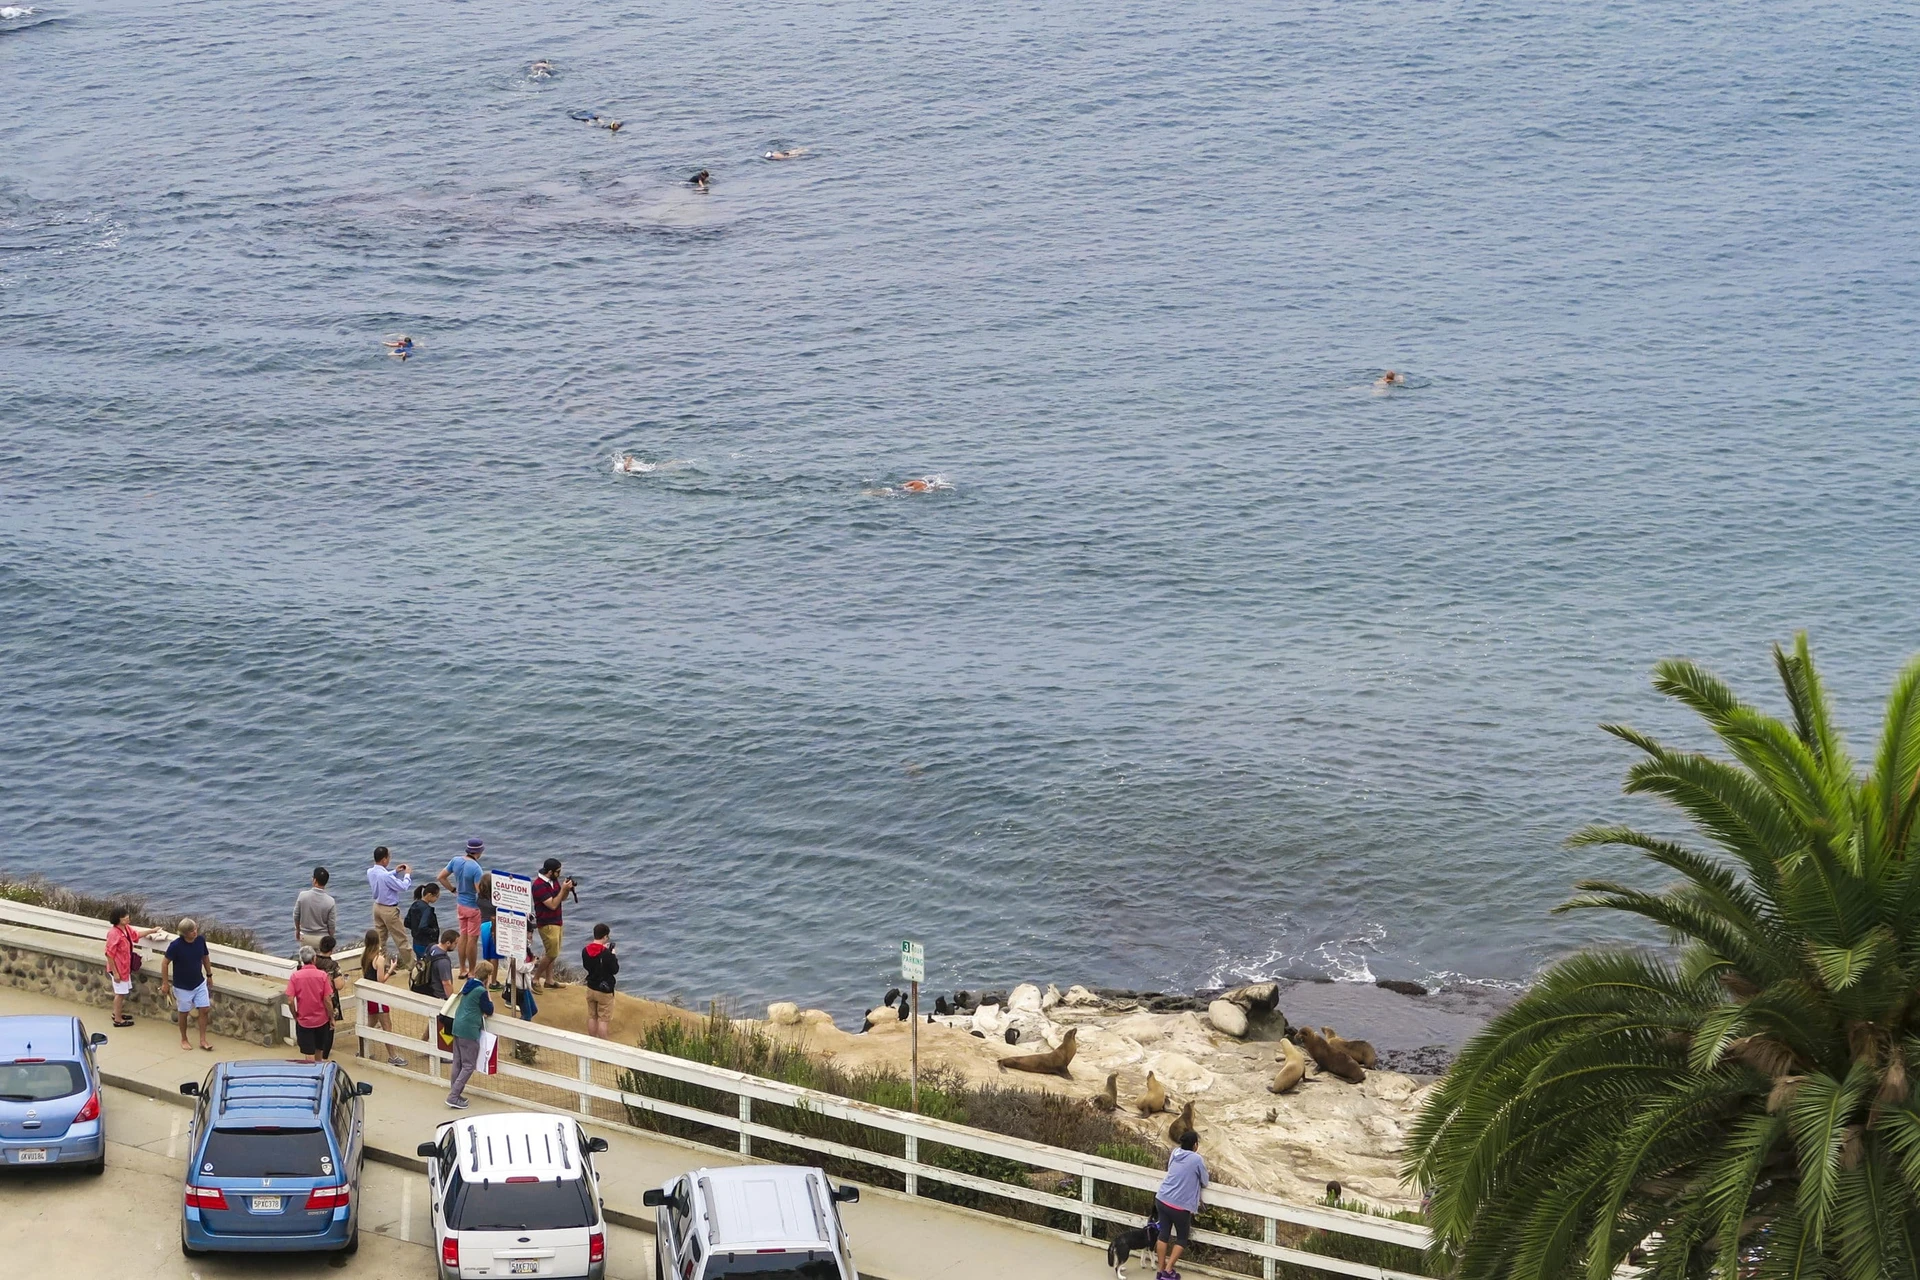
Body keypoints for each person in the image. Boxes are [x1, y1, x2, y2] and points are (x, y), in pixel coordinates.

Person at [1152, 1129, 1209, 1280]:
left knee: (1163, 1235)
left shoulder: (1175, 1153)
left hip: (1162, 1198)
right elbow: (1205, 1181)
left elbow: (1171, 1169)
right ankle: (1168, 1271)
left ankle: (1160, 1270)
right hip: (1179, 1206)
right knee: (1182, 1238)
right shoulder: (1197, 1159)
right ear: (1195, 1145)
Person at [445, 960, 496, 1110]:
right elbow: (490, 1009)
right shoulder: (480, 991)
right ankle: (453, 1096)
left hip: (457, 1026)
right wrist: (487, 991)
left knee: (457, 1062)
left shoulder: (468, 984)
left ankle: (455, 1093)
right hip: (469, 1030)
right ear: (487, 976)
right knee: (468, 1066)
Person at [159, 919, 214, 1052]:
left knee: (204, 1009)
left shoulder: (200, 940)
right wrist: (165, 983)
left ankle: (202, 1039)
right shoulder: (175, 946)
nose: (195, 932)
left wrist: (209, 975)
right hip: (182, 986)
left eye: (195, 929)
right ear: (184, 933)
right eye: (191, 931)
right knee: (183, 1013)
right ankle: (184, 1039)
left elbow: (205, 957)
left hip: (199, 983)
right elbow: (164, 963)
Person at [357, 928, 408, 1067]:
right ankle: (392, 1056)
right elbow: (380, 980)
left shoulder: (365, 956)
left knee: (371, 1023)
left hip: (369, 995)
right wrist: (390, 969)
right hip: (378, 996)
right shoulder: (378, 959)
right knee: (387, 1025)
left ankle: (362, 1049)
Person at [438, 839, 488, 978]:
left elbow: (441, 877)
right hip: (473, 907)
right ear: (479, 851)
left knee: (463, 937)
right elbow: (479, 891)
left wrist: (453, 889)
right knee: (472, 939)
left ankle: (462, 969)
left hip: (460, 904)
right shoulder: (476, 868)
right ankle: (472, 971)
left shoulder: (456, 861)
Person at [286, 946, 336, 1063]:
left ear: (302, 960)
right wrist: (331, 1017)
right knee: (319, 1050)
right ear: (314, 958)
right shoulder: (322, 976)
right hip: (321, 1020)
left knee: (309, 1054)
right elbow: (327, 1000)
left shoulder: (295, 977)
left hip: (304, 1021)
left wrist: (295, 1015)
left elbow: (290, 1000)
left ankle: (310, 1075)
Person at [366, 846, 412, 963]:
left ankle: (381, 964)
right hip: (389, 910)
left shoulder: (370, 872)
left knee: (380, 940)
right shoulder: (386, 876)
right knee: (401, 939)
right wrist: (407, 874)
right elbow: (403, 886)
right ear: (384, 860)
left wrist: (395, 872)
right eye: (389, 857)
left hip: (377, 907)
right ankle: (413, 966)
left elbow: (382, 876)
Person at [532, 857, 572, 990]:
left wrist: (566, 890)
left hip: (557, 921)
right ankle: (536, 978)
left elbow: (561, 899)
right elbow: (553, 904)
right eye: (558, 871)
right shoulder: (538, 886)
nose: (559, 874)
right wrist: (562, 890)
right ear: (550, 872)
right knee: (551, 954)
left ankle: (549, 980)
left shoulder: (553, 882)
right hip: (547, 923)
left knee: (553, 952)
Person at [103, 906, 141, 1028]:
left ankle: (117, 1014)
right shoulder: (114, 933)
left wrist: (152, 932)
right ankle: (118, 1020)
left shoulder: (126, 929)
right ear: (118, 919)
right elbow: (109, 954)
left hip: (124, 967)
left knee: (122, 993)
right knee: (120, 994)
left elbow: (136, 935)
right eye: (124, 916)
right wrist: (116, 973)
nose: (127, 917)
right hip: (118, 969)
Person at [581, 923, 618, 1039]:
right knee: (603, 1020)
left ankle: (592, 1041)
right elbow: (614, 970)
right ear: (605, 937)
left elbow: (586, 966)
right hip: (604, 991)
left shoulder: (585, 950)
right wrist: (613, 956)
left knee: (592, 1017)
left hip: (591, 987)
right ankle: (603, 1047)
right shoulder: (606, 954)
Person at [294, 866, 337, 953]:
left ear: (314, 880)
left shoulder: (303, 896)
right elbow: (331, 924)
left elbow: (296, 915)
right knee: (321, 964)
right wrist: (331, 938)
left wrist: (298, 930)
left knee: (306, 963)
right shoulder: (330, 901)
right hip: (322, 939)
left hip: (305, 937)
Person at [405, 882, 443, 972]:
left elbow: (406, 922)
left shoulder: (414, 905)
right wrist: (434, 931)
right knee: (429, 967)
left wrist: (415, 929)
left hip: (416, 942)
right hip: (426, 944)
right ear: (429, 895)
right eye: (436, 896)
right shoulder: (427, 909)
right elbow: (423, 926)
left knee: (421, 966)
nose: (437, 899)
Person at [420, 928, 457, 1000]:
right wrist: (451, 1000)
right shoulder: (443, 962)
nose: (456, 946)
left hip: (430, 987)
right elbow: (446, 983)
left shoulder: (432, 947)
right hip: (440, 994)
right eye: (455, 943)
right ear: (448, 943)